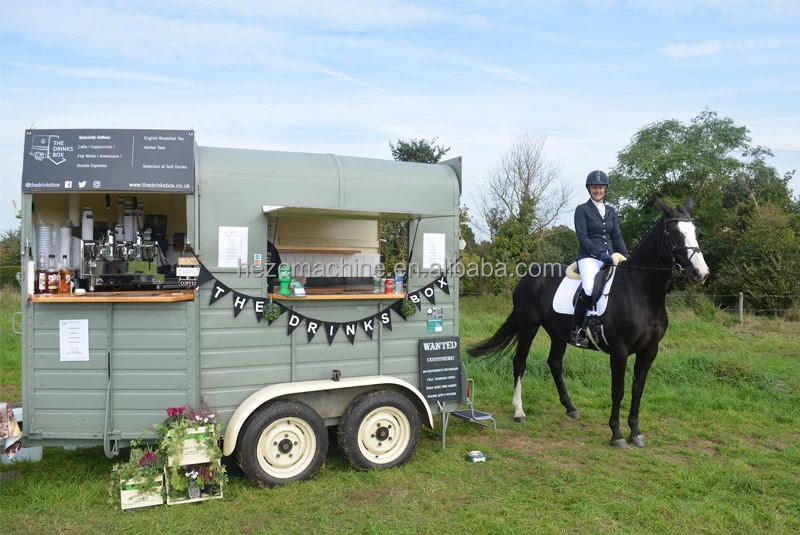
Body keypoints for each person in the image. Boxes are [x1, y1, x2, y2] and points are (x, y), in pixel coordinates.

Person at [570, 170, 629, 347]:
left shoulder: (611, 211)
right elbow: (583, 237)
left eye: (601, 187)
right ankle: (577, 329)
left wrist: (627, 256)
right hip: (589, 257)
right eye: (595, 187)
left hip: (610, 257)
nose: (598, 191)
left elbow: (616, 236)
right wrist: (600, 254)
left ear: (605, 189)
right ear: (589, 189)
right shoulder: (582, 210)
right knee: (589, 287)